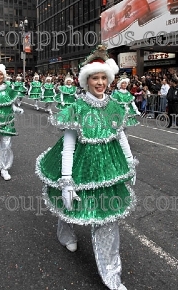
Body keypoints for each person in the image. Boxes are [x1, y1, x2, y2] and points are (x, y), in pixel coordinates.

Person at [36, 45, 137, 290]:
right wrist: (67, 181)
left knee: (107, 220)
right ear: (86, 80)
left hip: (109, 169)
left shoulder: (115, 106)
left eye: (104, 77)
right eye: (95, 78)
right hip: (81, 167)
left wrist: (130, 162)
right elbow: (68, 147)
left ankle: (112, 275)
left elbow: (121, 136)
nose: (100, 82)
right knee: (71, 206)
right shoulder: (77, 109)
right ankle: (65, 232)